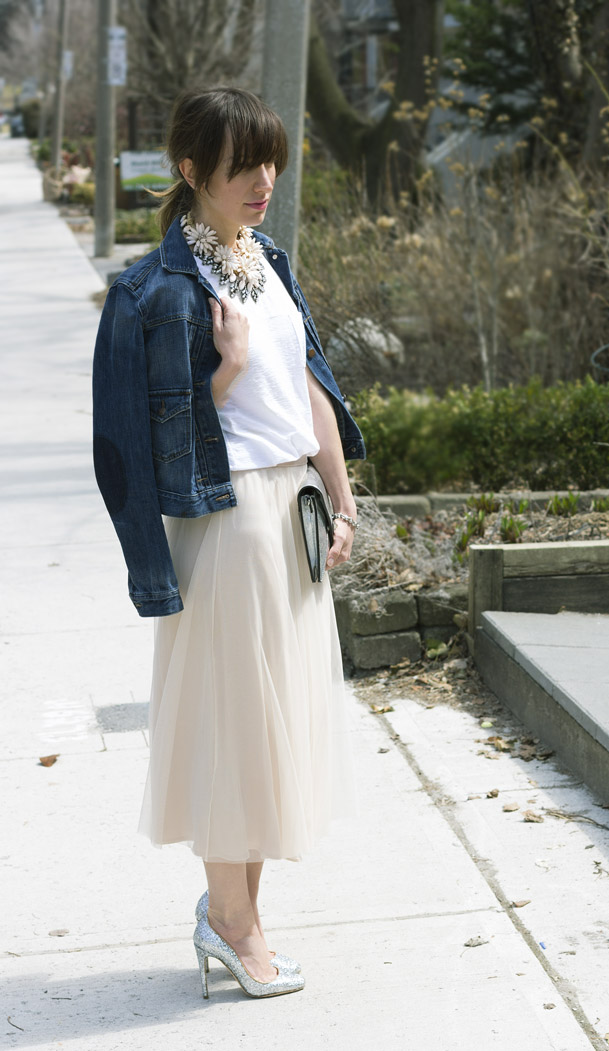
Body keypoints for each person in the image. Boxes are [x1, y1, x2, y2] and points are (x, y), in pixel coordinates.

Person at [92, 86, 366, 1000]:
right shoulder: (162, 290)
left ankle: (236, 916)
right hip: (227, 516)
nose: (264, 180)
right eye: (243, 165)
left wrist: (341, 488)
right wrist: (226, 376)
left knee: (272, 725)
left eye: (271, 160)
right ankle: (234, 923)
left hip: (290, 511)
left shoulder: (268, 260)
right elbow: (135, 435)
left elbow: (312, 386)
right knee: (230, 726)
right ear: (190, 171)